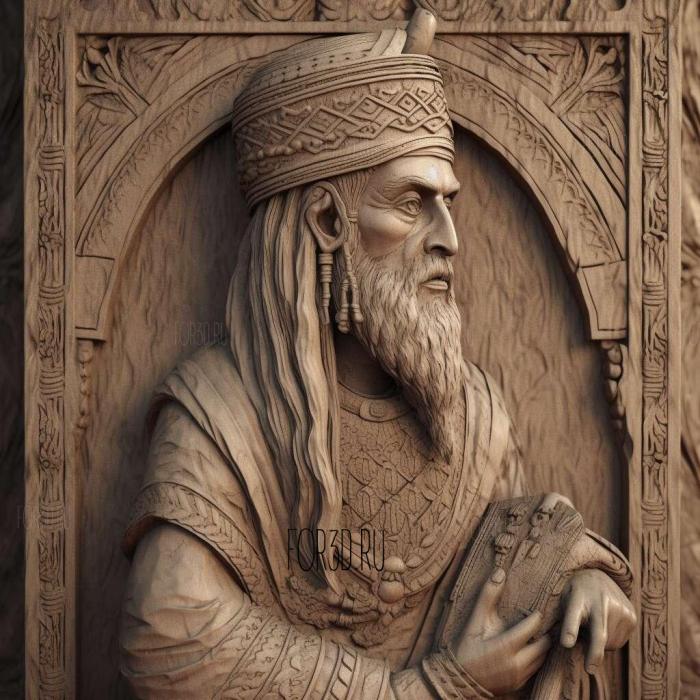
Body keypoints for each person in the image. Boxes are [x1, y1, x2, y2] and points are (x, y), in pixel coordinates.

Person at [119, 10, 635, 698]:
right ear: (327, 222)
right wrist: (424, 690)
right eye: (413, 203)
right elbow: (166, 635)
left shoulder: (477, 419)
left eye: (448, 202)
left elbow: (515, 553)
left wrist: (581, 581)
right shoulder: (220, 415)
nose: (449, 237)